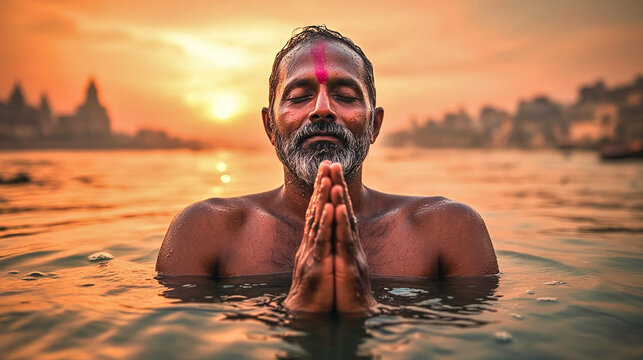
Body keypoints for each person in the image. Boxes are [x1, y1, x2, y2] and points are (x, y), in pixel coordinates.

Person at [156, 25, 498, 317]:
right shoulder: (204, 231)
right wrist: (301, 308)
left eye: (346, 96)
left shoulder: (448, 230)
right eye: (299, 96)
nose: (322, 109)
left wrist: (363, 311)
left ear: (374, 125)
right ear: (270, 126)